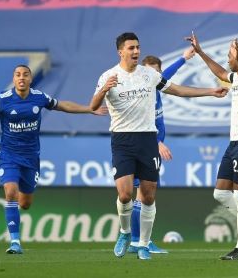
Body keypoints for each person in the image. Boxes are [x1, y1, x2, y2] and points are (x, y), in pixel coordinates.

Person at [91, 32, 228, 260]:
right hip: (122, 140)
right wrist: (104, 88)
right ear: (120, 52)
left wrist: (210, 92)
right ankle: (125, 233)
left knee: (148, 195)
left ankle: (143, 244)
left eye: (138, 47)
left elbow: (177, 89)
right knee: (125, 195)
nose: (136, 51)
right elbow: (93, 105)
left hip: (147, 139)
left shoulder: (149, 75)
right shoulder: (108, 76)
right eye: (131, 48)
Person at [0, 64, 107, 254]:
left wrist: (88, 109)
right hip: (8, 155)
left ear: (30, 79)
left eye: (25, 75)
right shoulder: (2, 100)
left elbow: (62, 105)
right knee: (10, 191)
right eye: (18, 75)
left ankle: (17, 209)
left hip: (31, 157)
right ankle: (15, 242)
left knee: (25, 203)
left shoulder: (39, 97)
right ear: (13, 79)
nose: (21, 78)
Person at [186, 32, 238, 261]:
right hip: (235, 143)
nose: (227, 60)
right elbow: (221, 74)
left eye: (230, 56)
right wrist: (201, 52)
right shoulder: (236, 78)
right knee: (221, 193)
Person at [127, 47, 196, 255]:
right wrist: (157, 142)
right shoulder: (141, 94)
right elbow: (140, 122)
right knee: (143, 195)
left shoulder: (156, 86)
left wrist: (184, 57)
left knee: (141, 196)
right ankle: (140, 242)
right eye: (150, 72)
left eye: (157, 73)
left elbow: (168, 75)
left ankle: (135, 241)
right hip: (145, 146)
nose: (154, 77)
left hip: (150, 148)